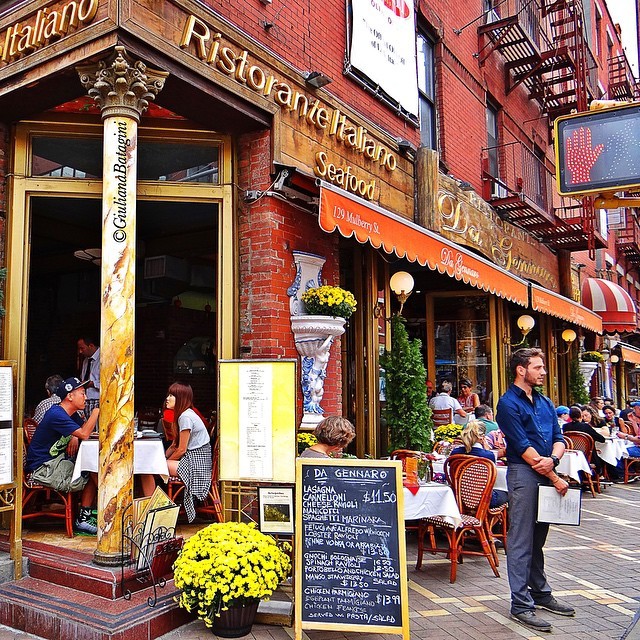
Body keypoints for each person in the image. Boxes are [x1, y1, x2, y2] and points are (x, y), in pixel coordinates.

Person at [496, 348, 574, 633]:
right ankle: (520, 604)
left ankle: (540, 593)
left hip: (545, 470)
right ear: (521, 370)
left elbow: (559, 437)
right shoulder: (507, 404)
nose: (543, 372)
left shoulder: (545, 401)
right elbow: (521, 446)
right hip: (523, 475)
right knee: (520, 540)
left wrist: (553, 459)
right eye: (538, 367)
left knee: (538, 538)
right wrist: (554, 476)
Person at [25, 377, 100, 535]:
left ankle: (85, 516)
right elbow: (85, 434)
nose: (86, 397)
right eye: (82, 393)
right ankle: (90, 516)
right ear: (70, 396)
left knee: (92, 467)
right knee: (91, 469)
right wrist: (96, 411)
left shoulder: (71, 414)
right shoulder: (56, 414)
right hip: (43, 468)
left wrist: (76, 435)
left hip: (57, 462)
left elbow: (83, 431)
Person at [163, 382, 212, 522]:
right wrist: (164, 457)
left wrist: (165, 462)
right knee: (157, 465)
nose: (167, 398)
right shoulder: (184, 414)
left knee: (154, 468)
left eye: (171, 395)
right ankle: (159, 505)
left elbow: (181, 449)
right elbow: (175, 445)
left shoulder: (185, 417)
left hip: (196, 465)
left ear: (181, 398)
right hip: (194, 461)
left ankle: (158, 508)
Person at [450, 420, 508, 508]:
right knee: (507, 493)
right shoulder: (487, 456)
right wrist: (487, 449)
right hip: (483, 500)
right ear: (482, 437)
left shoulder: (455, 453)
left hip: (458, 498)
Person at [564, 406, 606, 475]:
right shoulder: (585, 426)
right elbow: (601, 439)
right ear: (580, 415)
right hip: (588, 458)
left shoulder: (565, 427)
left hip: (573, 456)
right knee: (602, 458)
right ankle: (600, 475)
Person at [77, 336, 100, 413]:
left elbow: (109, 382)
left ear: (91, 346)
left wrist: (92, 383)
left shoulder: (104, 357)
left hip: (98, 399)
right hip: (86, 400)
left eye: (82, 348)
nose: (80, 351)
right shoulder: (86, 361)